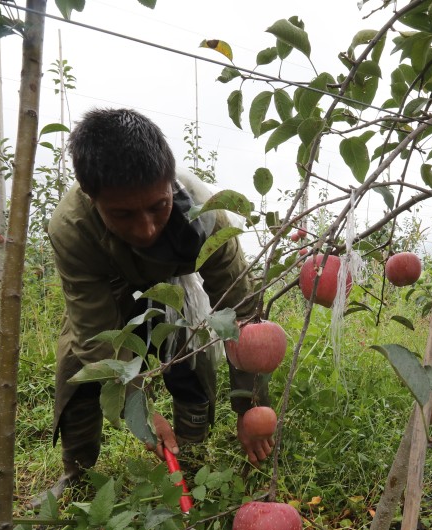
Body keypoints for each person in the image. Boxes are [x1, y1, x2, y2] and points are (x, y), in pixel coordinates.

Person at [39, 108, 272, 502]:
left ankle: (191, 452)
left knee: (191, 358)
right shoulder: (72, 228)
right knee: (79, 370)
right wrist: (140, 410)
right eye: (122, 214)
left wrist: (252, 408)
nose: (145, 228)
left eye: (157, 207)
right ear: (92, 199)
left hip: (178, 286)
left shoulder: (207, 214)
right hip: (113, 290)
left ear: (169, 183)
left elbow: (243, 312)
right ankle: (76, 472)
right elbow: (95, 334)